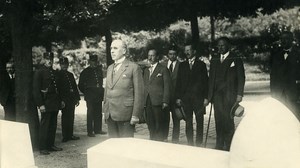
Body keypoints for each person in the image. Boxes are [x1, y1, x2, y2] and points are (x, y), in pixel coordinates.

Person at [207, 37, 245, 151]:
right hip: (217, 95)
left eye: (223, 45)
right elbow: (211, 78)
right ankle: (219, 143)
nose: (220, 48)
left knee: (228, 119)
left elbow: (241, 77)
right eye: (218, 45)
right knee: (218, 119)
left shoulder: (236, 58)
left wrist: (239, 94)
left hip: (230, 94)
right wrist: (210, 95)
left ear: (228, 46)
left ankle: (229, 144)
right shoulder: (214, 59)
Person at [103, 39, 144, 138]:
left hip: (126, 115)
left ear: (124, 51)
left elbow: (139, 93)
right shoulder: (109, 68)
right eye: (111, 48)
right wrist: (105, 111)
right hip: (110, 115)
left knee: (126, 148)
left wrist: (135, 115)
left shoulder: (133, 67)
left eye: (115, 48)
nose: (112, 51)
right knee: (113, 147)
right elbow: (107, 91)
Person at [175, 43, 209, 146]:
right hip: (186, 99)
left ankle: (198, 143)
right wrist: (178, 97)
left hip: (198, 99)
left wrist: (206, 98)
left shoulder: (201, 65)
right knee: (188, 122)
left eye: (189, 50)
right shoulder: (182, 65)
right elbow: (179, 83)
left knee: (200, 122)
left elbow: (206, 82)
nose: (187, 52)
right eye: (185, 50)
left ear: (194, 51)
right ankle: (190, 143)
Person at [33, 52, 64, 155]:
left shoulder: (53, 72)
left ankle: (50, 145)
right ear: (43, 59)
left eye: (51, 58)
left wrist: (60, 101)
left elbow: (57, 89)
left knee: (53, 125)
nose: (49, 60)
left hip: (54, 102)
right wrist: (40, 104)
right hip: (45, 103)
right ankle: (42, 147)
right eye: (47, 58)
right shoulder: (39, 72)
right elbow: (36, 90)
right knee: (45, 125)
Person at [270, 31, 300, 120]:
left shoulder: (298, 54)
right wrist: (273, 92)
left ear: (292, 40)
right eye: (282, 39)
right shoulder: (276, 55)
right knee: (280, 118)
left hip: (294, 93)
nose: (284, 41)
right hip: (279, 93)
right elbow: (273, 75)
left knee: (295, 117)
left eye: (286, 39)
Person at [143, 48, 171, 141]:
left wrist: (165, 101)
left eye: (153, 55)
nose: (150, 57)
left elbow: (167, 86)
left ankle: (159, 141)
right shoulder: (146, 70)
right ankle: (152, 139)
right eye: (149, 55)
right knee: (150, 123)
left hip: (158, 101)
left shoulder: (163, 69)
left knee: (159, 124)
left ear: (157, 57)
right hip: (148, 100)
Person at [78, 54, 106, 137]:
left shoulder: (99, 71)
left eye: (95, 62)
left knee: (98, 112)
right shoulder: (85, 72)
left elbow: (100, 83)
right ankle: (90, 131)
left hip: (98, 95)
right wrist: (86, 92)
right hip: (90, 95)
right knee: (90, 113)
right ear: (89, 62)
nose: (94, 63)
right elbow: (80, 85)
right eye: (92, 61)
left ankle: (98, 129)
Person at [58, 57, 81, 142]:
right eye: (62, 64)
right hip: (64, 100)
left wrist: (77, 98)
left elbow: (74, 87)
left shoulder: (70, 75)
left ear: (68, 65)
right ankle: (65, 136)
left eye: (65, 64)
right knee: (65, 117)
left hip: (71, 99)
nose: (64, 66)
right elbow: (59, 90)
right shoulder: (58, 75)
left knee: (71, 117)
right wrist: (61, 100)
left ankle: (70, 134)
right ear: (60, 65)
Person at [166, 45, 182, 143]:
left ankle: (175, 140)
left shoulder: (181, 65)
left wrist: (179, 97)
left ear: (177, 55)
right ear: (167, 55)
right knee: (165, 119)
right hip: (166, 98)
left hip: (176, 97)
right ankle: (164, 137)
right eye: (170, 54)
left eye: (174, 54)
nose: (172, 56)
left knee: (176, 120)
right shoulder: (163, 65)